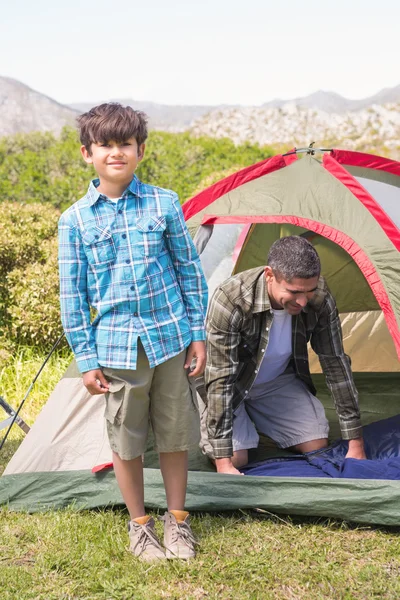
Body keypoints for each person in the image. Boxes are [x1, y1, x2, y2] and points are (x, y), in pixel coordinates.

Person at [58, 103, 208, 560]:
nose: (116, 152)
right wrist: (86, 359)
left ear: (140, 150)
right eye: (105, 144)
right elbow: (73, 296)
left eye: (125, 143)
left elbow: (189, 270)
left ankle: (177, 522)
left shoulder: (164, 202)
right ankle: (140, 526)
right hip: (117, 350)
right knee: (126, 440)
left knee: (177, 432)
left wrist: (196, 333)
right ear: (88, 153)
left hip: (169, 339)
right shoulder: (75, 220)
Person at [201, 235, 366, 475]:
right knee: (236, 458)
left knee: (316, 442)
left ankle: (253, 421)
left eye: (309, 291)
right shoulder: (231, 299)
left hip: (275, 382)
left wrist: (356, 443)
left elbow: (335, 363)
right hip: (232, 383)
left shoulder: (318, 296)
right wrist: (224, 463)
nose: (302, 301)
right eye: (294, 292)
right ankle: (233, 425)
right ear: (270, 275)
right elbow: (220, 378)